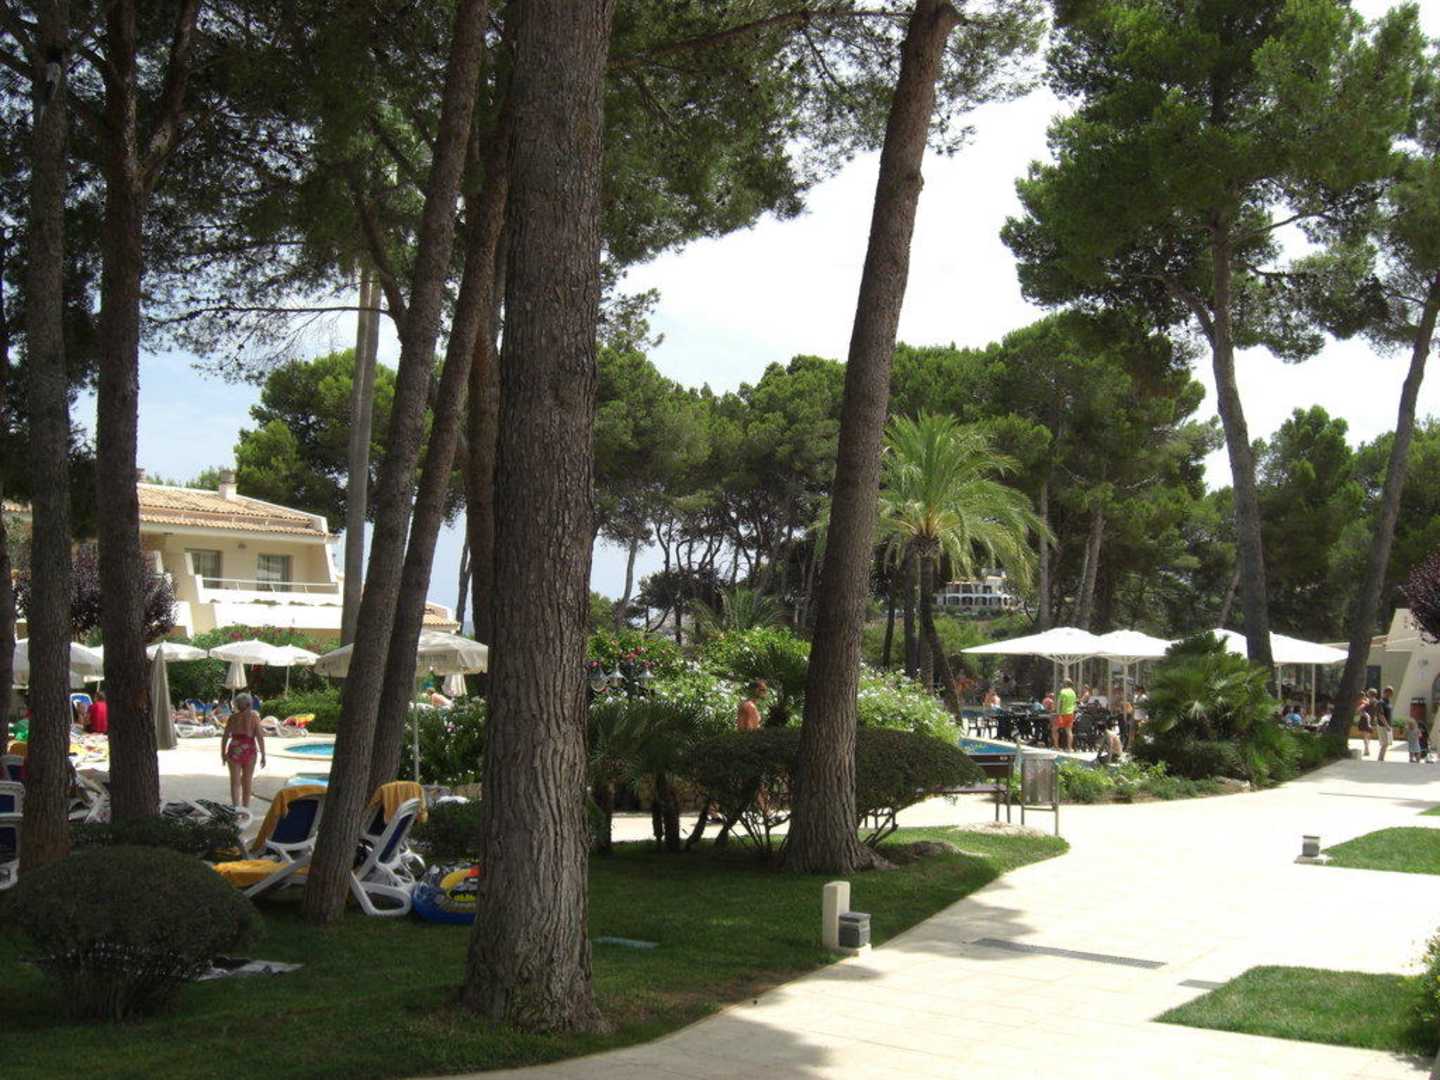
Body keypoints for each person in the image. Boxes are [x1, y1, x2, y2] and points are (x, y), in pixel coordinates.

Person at [221, 692, 266, 810]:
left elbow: (225, 736)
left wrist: (222, 753)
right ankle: (245, 810)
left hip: (234, 749)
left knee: (235, 782)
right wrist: (263, 755)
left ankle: (236, 809)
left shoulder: (232, 718)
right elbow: (260, 737)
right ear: (249, 704)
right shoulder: (254, 717)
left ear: (237, 704)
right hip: (249, 750)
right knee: (247, 781)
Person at [1055, 679, 1077, 752]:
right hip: (1070, 713)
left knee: (1055, 729)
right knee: (1069, 731)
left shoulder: (1062, 691)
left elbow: (1059, 703)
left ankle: (1056, 747)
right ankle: (1069, 748)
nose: (1062, 684)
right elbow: (1074, 704)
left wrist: (1058, 713)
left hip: (1063, 713)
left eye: (1063, 683)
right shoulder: (1073, 693)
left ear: (1066, 684)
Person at [1374, 692, 1392, 762]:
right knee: (1384, 743)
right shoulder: (1381, 703)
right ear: (1384, 693)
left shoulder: (1388, 702)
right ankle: (1380, 759)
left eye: (1390, 693)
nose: (1389, 695)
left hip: (1388, 725)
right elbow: (1380, 715)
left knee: (1387, 743)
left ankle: (1381, 758)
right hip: (1383, 725)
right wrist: (1386, 725)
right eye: (1387, 693)